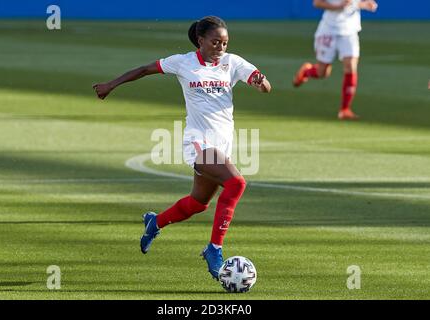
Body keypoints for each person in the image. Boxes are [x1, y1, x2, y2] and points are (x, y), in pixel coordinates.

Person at [93, 16, 271, 280]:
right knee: (236, 184)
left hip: (222, 145)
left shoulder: (232, 63)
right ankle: (214, 248)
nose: (221, 47)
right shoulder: (183, 62)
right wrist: (111, 85)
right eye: (215, 42)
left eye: (224, 42)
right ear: (201, 41)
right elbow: (144, 70)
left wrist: (261, 82)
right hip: (198, 143)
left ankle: (155, 222)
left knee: (197, 204)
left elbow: (264, 85)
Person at [293, 0, 378, 120]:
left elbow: (354, 3)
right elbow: (317, 3)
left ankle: (345, 109)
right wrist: (336, 6)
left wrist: (365, 4)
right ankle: (306, 72)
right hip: (329, 30)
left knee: (351, 67)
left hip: (349, 31)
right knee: (322, 72)